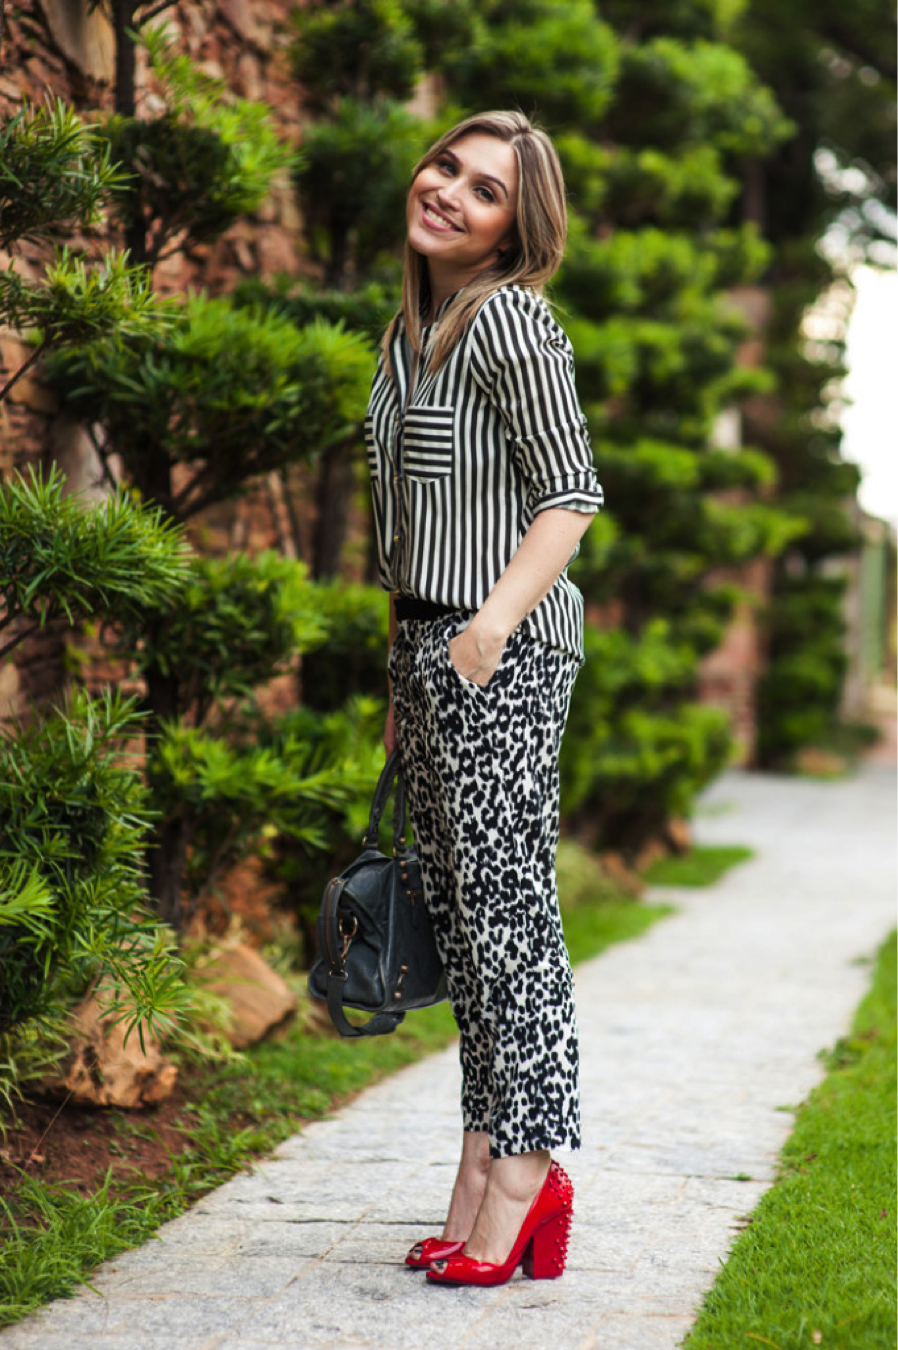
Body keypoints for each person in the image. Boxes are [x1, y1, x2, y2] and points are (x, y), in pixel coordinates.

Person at [366, 110, 603, 1288]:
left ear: (515, 230)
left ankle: (527, 1175)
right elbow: (410, 521)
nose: (449, 191)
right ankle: (478, 1168)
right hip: (426, 647)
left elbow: (570, 494)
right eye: (445, 165)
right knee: (465, 930)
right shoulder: (412, 330)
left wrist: (488, 628)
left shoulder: (510, 320)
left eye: (485, 189)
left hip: (491, 650)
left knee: (511, 922)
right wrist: (406, 666)